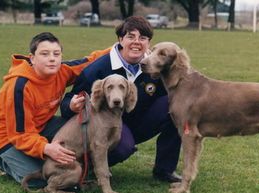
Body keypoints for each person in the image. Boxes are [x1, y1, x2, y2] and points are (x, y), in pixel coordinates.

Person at [60, 16, 182, 183]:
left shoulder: (157, 66)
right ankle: (89, 168)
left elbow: (173, 92)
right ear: (120, 39)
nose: (137, 42)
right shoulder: (98, 69)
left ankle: (165, 170)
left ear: (149, 42)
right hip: (108, 126)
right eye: (131, 36)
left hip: (141, 120)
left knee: (179, 106)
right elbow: (68, 102)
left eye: (143, 38)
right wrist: (71, 106)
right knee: (123, 146)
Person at [0, 32, 110, 187]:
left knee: (82, 130)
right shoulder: (19, 86)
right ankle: (1, 159)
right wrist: (46, 148)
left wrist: (121, 47)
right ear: (32, 58)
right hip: (9, 135)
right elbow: (20, 134)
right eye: (44, 54)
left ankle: (39, 155)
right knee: (39, 179)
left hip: (41, 125)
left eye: (56, 54)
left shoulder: (61, 70)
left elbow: (91, 61)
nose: (52, 58)